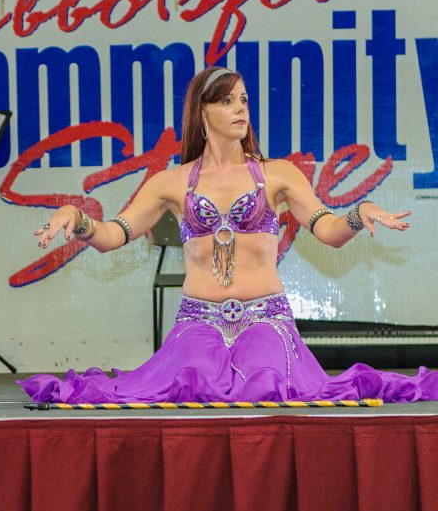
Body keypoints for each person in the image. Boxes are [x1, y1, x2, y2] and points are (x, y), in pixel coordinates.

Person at [22, 67, 437, 404]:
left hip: (265, 319)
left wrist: (358, 214)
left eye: (244, 100)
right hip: (198, 321)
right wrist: (77, 218)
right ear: (201, 113)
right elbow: (114, 235)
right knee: (193, 380)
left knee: (265, 379)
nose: (240, 108)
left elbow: (328, 230)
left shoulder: (278, 174)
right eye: (226, 101)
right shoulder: (171, 182)